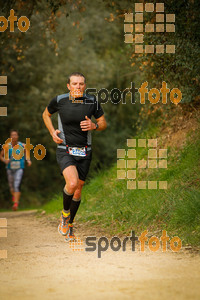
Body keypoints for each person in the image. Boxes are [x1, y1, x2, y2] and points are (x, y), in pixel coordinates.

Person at [42, 72, 107, 242]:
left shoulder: (92, 101)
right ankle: (64, 216)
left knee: (78, 189)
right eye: (74, 84)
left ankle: (70, 225)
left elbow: (103, 124)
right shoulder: (60, 100)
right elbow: (45, 115)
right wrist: (52, 132)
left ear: (85, 86)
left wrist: (94, 125)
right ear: (68, 86)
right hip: (65, 149)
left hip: (85, 151)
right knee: (71, 183)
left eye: (81, 84)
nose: (78, 87)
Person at [0, 130, 32, 210]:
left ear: (17, 136)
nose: (14, 136)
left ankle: (16, 204)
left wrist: (28, 160)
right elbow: (1, 156)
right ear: (10, 137)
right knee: (11, 187)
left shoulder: (22, 145)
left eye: (15, 135)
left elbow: (26, 152)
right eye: (12, 135)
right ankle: (15, 197)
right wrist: (4, 160)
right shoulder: (7, 146)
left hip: (19, 168)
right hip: (9, 168)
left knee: (17, 184)